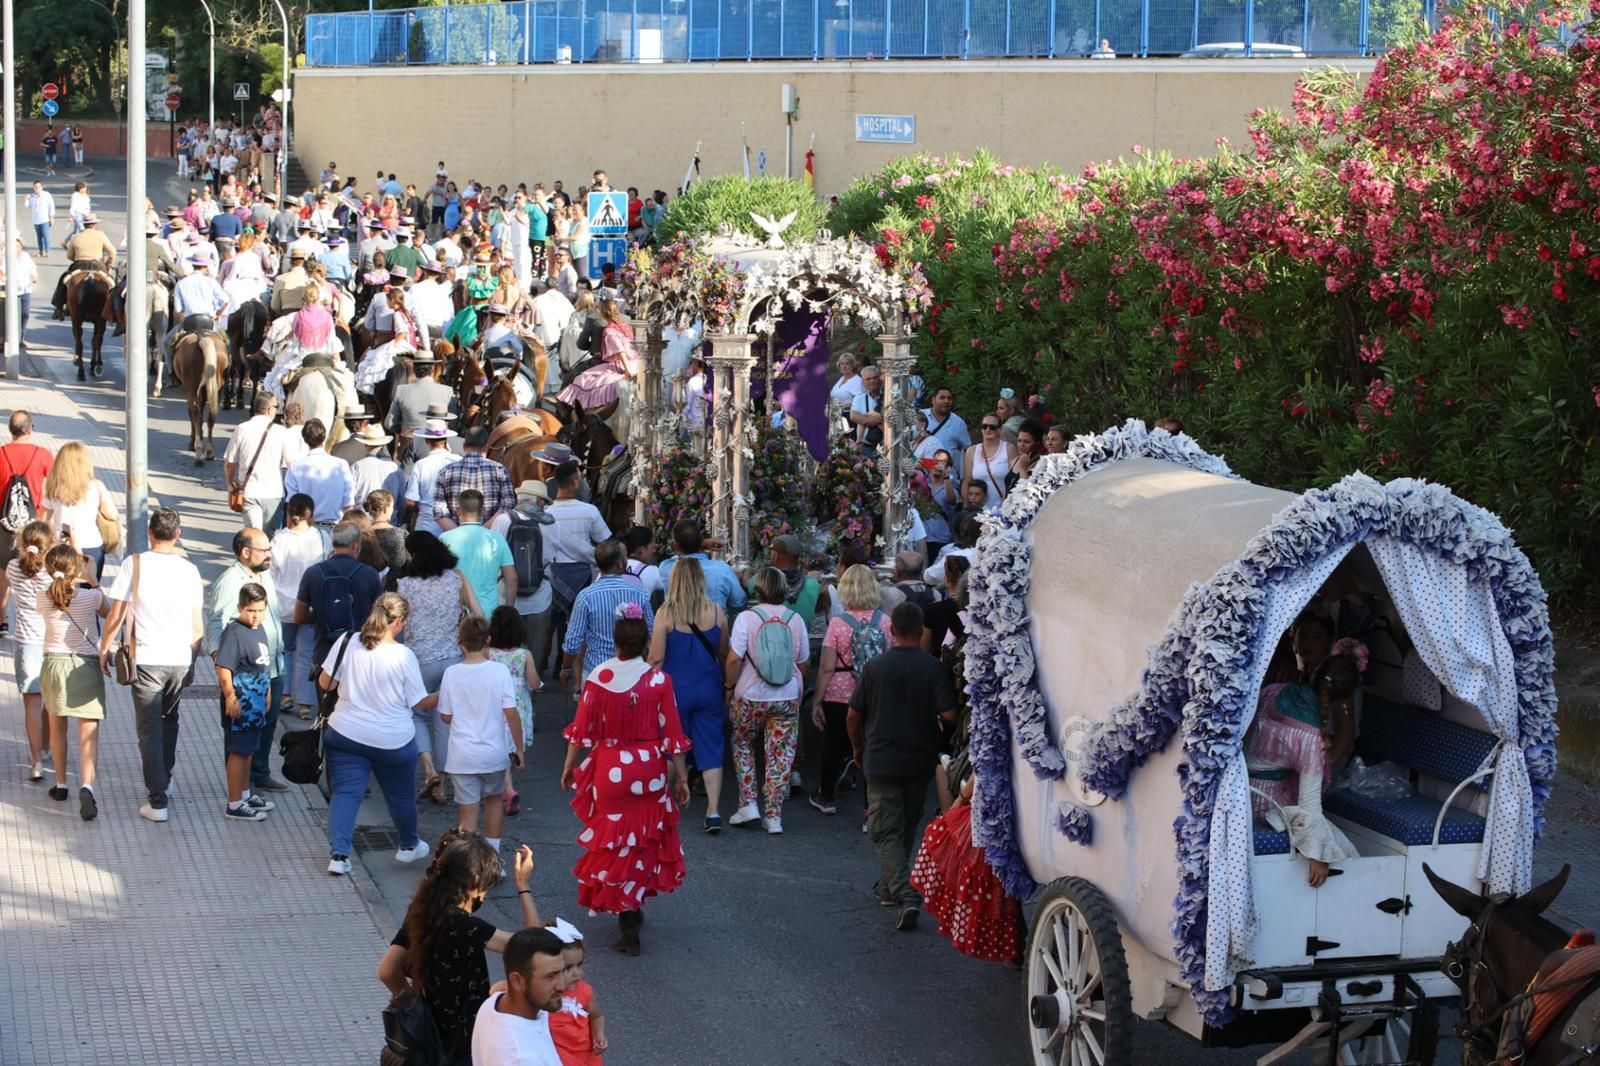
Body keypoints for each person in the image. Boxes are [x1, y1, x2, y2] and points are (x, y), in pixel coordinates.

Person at [560, 604, 689, 954]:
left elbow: (582, 731)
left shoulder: (598, 677)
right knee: (643, 840)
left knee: (617, 841)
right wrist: (681, 777)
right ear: (646, 642)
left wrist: (569, 765)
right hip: (648, 770)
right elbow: (672, 734)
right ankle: (634, 904)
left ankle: (626, 910)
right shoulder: (659, 681)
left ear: (614, 642)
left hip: (610, 770)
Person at [848, 602, 958, 931]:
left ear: (892, 631)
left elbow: (854, 715)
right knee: (906, 824)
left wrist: (857, 747)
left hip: (881, 757)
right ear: (920, 628)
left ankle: (903, 893)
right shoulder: (932, 668)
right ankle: (888, 886)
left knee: (883, 828)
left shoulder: (876, 667)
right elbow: (950, 714)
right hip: (919, 757)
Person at [98, 507, 205, 824]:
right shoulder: (189, 570)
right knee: (169, 721)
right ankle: (165, 780)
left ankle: (157, 802)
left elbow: (116, 614)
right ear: (178, 534)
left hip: (146, 658)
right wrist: (191, 662)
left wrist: (104, 648)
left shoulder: (136, 564)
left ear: (149, 533)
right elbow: (196, 624)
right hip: (179, 658)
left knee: (148, 731)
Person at [319, 594, 436, 876]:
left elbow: (326, 682)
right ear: (397, 621)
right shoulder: (404, 656)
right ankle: (408, 846)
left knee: (346, 794)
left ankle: (339, 856)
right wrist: (447, 693)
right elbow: (419, 702)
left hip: (346, 732)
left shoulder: (347, 642)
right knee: (401, 797)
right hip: (392, 740)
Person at [1247, 651, 1362, 887]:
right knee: (1346, 852)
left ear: (1314, 673)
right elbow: (1309, 804)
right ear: (1343, 700)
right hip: (1264, 803)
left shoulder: (1274, 691)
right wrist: (1317, 855)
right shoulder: (1311, 738)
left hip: (1239, 791)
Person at [391, 528, 483, 801]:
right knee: (445, 719)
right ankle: (441, 783)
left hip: (417, 660)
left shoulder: (405, 585)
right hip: (452, 659)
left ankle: (429, 768)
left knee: (417, 715)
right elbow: (478, 614)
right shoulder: (457, 580)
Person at [724, 567, 810, 835]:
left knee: (742, 743)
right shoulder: (795, 619)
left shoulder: (746, 618)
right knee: (781, 754)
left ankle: (748, 803)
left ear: (757, 589)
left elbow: (734, 658)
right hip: (786, 697)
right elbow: (804, 662)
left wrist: (729, 686)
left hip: (750, 695)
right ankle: (774, 815)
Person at [648, 558, 728, 834]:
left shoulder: (665, 613)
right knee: (711, 746)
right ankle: (713, 811)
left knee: (672, 747)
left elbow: (656, 658)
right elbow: (723, 653)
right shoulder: (717, 612)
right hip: (709, 688)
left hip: (674, 692)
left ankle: (661, 807)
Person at [910, 769, 1023, 963]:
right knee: (1000, 879)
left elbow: (982, 767)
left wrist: (962, 797)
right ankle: (1015, 945)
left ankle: (1013, 946)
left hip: (994, 810)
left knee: (993, 875)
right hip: (1013, 805)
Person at [204, 528, 287, 793]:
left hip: (271, 666)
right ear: (245, 552)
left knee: (267, 724)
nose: (269, 555)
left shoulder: (263, 575)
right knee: (239, 733)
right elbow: (217, 621)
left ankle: (260, 774)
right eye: (264, 550)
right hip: (245, 675)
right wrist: (221, 660)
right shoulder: (231, 581)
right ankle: (239, 789)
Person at [810, 564, 894, 818]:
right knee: (871, 747)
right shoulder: (885, 621)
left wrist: (816, 700)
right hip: (874, 693)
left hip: (840, 692)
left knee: (833, 745)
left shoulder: (838, 623)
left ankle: (826, 796)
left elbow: (826, 667)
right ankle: (870, 807)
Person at [38, 543, 109, 820]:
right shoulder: (89, 598)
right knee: (88, 732)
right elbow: (111, 612)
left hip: (53, 663)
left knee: (57, 727)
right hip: (85, 664)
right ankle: (87, 785)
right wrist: (92, 581)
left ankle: (60, 783)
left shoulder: (42, 597)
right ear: (76, 570)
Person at [439, 615, 522, 853]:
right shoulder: (499, 671)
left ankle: (470, 862)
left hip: (462, 755)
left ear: (459, 642)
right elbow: (511, 713)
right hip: (493, 753)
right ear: (488, 640)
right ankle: (494, 857)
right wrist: (519, 750)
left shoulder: (451, 673)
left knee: (468, 810)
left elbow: (445, 716)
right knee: (495, 800)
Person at [213, 583, 278, 821]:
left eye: (260, 610)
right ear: (241, 607)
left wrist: (268, 691)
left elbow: (263, 664)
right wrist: (230, 696)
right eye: (251, 610)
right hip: (242, 702)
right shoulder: (234, 632)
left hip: (258, 701)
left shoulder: (259, 629)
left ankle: (245, 793)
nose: (256, 615)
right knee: (238, 751)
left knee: (250, 748)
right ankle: (234, 803)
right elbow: (223, 667)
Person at [293, 518, 385, 671]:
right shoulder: (370, 574)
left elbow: (298, 617)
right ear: (355, 546)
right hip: (359, 654)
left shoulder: (313, 573)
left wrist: (321, 612)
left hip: (324, 654)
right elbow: (379, 616)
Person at [469, 925, 568, 1066]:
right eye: (550, 976)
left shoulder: (493, 1003)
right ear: (517, 981)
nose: (562, 986)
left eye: (563, 971)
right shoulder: (524, 1059)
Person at [560, 539, 653, 687]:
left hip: (596, 672)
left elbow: (573, 641)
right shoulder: (639, 593)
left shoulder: (586, 596)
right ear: (620, 564)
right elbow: (650, 632)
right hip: (632, 671)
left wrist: (566, 668)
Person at [271, 494, 330, 720]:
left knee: (285, 649)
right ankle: (305, 702)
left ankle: (284, 694)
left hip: (283, 603)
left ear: (289, 513)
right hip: (311, 604)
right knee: (307, 651)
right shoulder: (322, 537)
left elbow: (272, 571)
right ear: (311, 514)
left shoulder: (279, 539)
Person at [487, 480, 555, 674]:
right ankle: (534, 686)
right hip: (540, 598)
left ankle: (505, 684)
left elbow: (493, 556)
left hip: (507, 597)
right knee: (535, 650)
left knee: (504, 649)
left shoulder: (502, 520)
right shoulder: (550, 523)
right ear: (540, 502)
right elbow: (552, 555)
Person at [9, 521, 55, 778]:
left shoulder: (15, 568)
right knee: (50, 702)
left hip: (27, 643)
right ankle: (48, 747)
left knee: (31, 704)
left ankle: (36, 761)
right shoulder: (52, 572)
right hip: (51, 642)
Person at [487, 605, 541, 814]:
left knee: (501, 743)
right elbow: (534, 682)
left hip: (496, 703)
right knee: (510, 746)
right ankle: (508, 789)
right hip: (519, 706)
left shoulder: (488, 653)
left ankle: (507, 789)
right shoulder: (524, 655)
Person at [37, 441, 116, 582]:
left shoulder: (54, 489)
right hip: (91, 545)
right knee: (90, 591)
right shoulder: (96, 486)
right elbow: (111, 514)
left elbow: (42, 521)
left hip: (61, 548)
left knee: (62, 591)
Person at [545, 464, 611, 631]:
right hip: (583, 575)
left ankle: (549, 658)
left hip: (554, 574)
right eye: (580, 478)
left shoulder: (546, 514)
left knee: (551, 627)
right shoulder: (590, 511)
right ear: (574, 483)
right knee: (581, 627)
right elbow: (605, 543)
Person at [440, 489, 516, 619]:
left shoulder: (444, 539)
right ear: (483, 510)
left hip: (455, 615)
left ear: (458, 511)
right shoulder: (497, 539)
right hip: (489, 614)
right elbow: (512, 579)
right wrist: (508, 610)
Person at [223, 393, 291, 532]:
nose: (277, 410)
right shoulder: (281, 432)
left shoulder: (242, 429)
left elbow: (229, 462)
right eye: (276, 407)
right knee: (269, 538)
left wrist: (230, 483)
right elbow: (290, 463)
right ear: (268, 409)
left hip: (249, 492)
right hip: (273, 493)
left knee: (253, 534)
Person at [555, 298, 637, 412]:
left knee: (576, 379)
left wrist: (593, 347)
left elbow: (582, 344)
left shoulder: (595, 320)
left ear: (602, 310)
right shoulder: (626, 321)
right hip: (633, 362)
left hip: (610, 362)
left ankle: (564, 413)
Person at [547, 924, 608, 1065]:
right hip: (557, 1059)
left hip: (585, 1057)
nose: (577, 973)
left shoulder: (584, 991)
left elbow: (596, 1016)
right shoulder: (542, 996)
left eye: (579, 965)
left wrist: (598, 1033)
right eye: (568, 968)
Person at [657, 519, 746, 616]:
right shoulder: (722, 569)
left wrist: (702, 544)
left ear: (676, 546)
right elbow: (739, 603)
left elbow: (677, 557)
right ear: (701, 539)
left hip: (677, 628)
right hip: (715, 628)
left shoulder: (666, 568)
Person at [435, 429, 515, 530]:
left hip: (455, 538)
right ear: (486, 447)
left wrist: (457, 532)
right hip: (488, 537)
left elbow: (438, 509)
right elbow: (509, 503)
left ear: (464, 447)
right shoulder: (500, 470)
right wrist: (484, 529)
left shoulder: (445, 471)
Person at [283, 419, 353, 525]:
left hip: (306, 528)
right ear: (324, 436)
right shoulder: (341, 465)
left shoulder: (295, 468)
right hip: (334, 527)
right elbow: (348, 503)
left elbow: (292, 505)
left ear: (305, 439)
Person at [405, 418, 461, 535]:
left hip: (426, 528)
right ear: (446, 441)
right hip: (454, 527)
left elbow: (410, 501)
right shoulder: (458, 461)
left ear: (427, 441)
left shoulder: (420, 465)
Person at [963, 412, 1012, 510]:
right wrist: (966, 506)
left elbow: (1015, 479)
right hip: (978, 511)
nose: (988, 429)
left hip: (1003, 509)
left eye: (992, 427)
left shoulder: (1008, 448)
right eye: (984, 426)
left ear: (1000, 429)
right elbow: (967, 480)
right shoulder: (971, 451)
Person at [366, 490, 409, 573]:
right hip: (396, 584)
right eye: (392, 506)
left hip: (368, 584)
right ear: (386, 508)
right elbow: (408, 564)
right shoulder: (401, 534)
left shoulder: (362, 535)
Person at [921, 387, 970, 456]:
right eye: (942, 398)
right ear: (933, 400)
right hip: (920, 465)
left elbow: (967, 449)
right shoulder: (920, 416)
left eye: (949, 398)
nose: (946, 401)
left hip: (947, 465)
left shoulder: (958, 423)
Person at [848, 365, 885, 449]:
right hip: (866, 447)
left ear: (880, 379)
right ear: (863, 382)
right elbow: (853, 417)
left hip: (886, 445)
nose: (872, 381)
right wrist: (879, 420)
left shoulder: (888, 396)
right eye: (868, 379)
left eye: (875, 378)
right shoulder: (859, 398)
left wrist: (864, 419)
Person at [1007, 417, 1046, 489]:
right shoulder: (1016, 460)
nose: (1021, 445)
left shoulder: (1040, 463)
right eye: (1019, 441)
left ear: (1037, 443)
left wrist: (1023, 469)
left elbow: (1028, 489)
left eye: (1026, 442)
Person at [26, 181, 56, 258]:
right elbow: (27, 206)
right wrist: (26, 199)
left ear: (42, 187)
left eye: (39, 187)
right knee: (39, 236)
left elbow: (51, 206)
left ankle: (47, 251)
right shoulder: (32, 196)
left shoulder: (46, 195)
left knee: (46, 235)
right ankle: (41, 251)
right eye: (35, 187)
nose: (37, 188)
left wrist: (51, 217)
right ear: (33, 188)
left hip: (45, 219)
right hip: (36, 220)